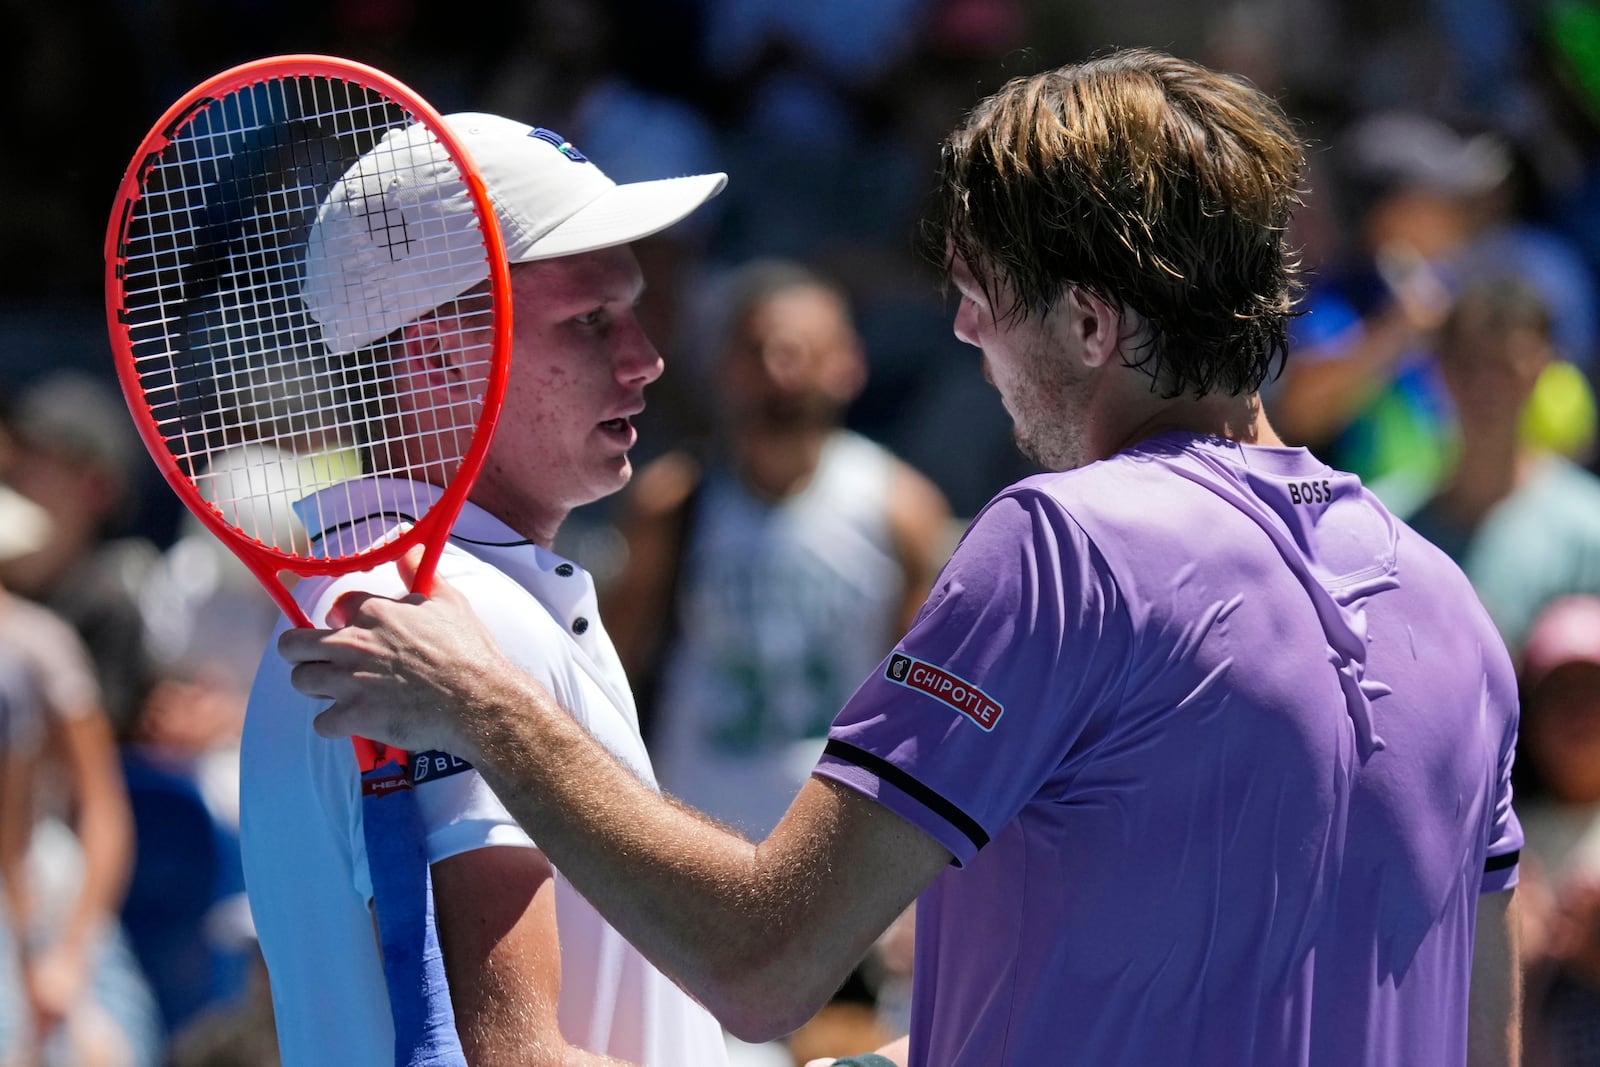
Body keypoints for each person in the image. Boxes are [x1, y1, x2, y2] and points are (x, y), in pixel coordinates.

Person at [281, 49, 1524, 1066]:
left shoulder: (1065, 544)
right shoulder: (1451, 605)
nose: (960, 327)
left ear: (1091, 320)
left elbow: (765, 962)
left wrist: (486, 708)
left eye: (980, 290)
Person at [238, 112, 730, 1065]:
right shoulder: (445, 622)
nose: (645, 358)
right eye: (591, 321)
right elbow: (519, 1055)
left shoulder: (407, 603)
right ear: (437, 356)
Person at [607, 257, 952, 839]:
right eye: (758, 351)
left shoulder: (901, 511)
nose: (778, 371)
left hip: (837, 855)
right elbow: (616, 672)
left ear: (848, 365)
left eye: (800, 352)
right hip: (691, 843)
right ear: (723, 368)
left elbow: (920, 710)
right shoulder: (673, 503)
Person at [1404, 278, 1600, 653]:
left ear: (1541, 370)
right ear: (1439, 371)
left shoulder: (1590, 531)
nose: (1485, 388)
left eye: (1504, 367)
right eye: (1469, 365)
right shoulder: (1391, 526)